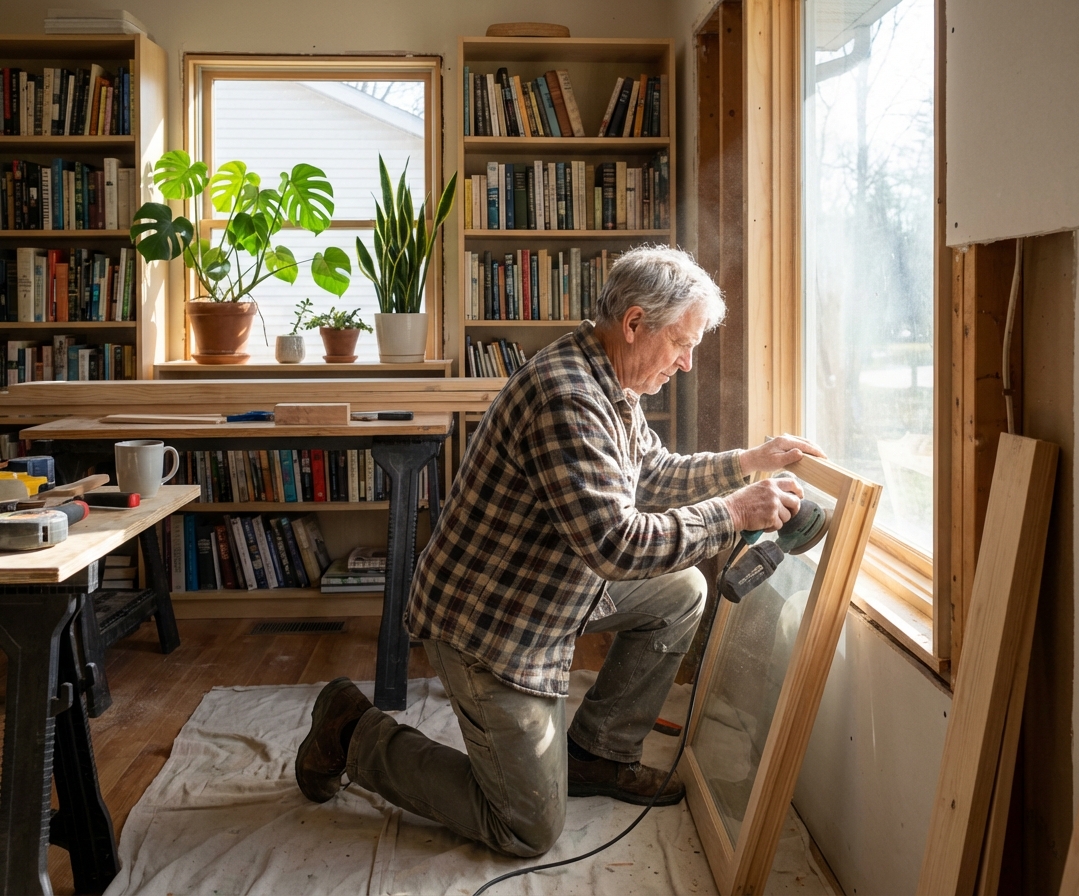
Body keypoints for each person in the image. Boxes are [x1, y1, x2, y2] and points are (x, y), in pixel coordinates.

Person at [295, 245, 825, 857]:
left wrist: (748, 462)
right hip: (491, 627)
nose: (685, 363)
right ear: (634, 323)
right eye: (682, 344)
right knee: (527, 827)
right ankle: (352, 731)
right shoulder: (567, 397)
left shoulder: (609, 379)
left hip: (546, 587)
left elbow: (651, 474)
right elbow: (617, 545)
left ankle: (600, 752)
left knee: (682, 592)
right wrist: (733, 513)